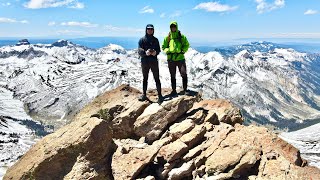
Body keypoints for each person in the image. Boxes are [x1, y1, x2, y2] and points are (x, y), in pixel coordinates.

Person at [162, 21, 190, 96]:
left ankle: (185, 89)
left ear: (176, 27)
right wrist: (168, 51)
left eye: (174, 26)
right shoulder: (167, 37)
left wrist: (182, 51)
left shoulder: (181, 36)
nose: (173, 28)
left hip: (180, 58)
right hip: (171, 59)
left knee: (183, 73)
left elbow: (186, 45)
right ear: (170, 27)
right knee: (172, 75)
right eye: (172, 26)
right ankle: (174, 90)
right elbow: (163, 47)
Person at [138, 24, 164, 103]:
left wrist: (155, 52)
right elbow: (139, 50)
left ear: (153, 30)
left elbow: (159, 50)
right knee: (145, 78)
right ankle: (144, 94)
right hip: (145, 62)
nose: (150, 30)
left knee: (157, 78)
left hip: (153, 61)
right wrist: (145, 53)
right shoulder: (142, 40)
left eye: (151, 29)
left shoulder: (155, 40)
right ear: (146, 30)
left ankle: (160, 95)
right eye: (148, 29)